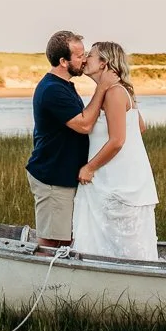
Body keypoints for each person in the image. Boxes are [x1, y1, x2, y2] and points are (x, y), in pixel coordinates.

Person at [26, 30, 118, 251]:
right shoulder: (52, 90)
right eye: (78, 56)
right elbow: (84, 125)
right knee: (52, 242)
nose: (84, 59)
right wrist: (103, 87)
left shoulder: (64, 86)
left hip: (63, 176)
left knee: (67, 239)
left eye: (85, 54)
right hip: (53, 178)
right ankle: (45, 284)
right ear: (63, 61)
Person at [72, 40, 159, 261]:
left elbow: (118, 140)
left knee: (124, 248)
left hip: (120, 185)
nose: (85, 59)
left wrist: (90, 167)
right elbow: (140, 126)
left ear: (103, 63)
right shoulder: (120, 91)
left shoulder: (114, 93)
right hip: (122, 180)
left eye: (90, 55)